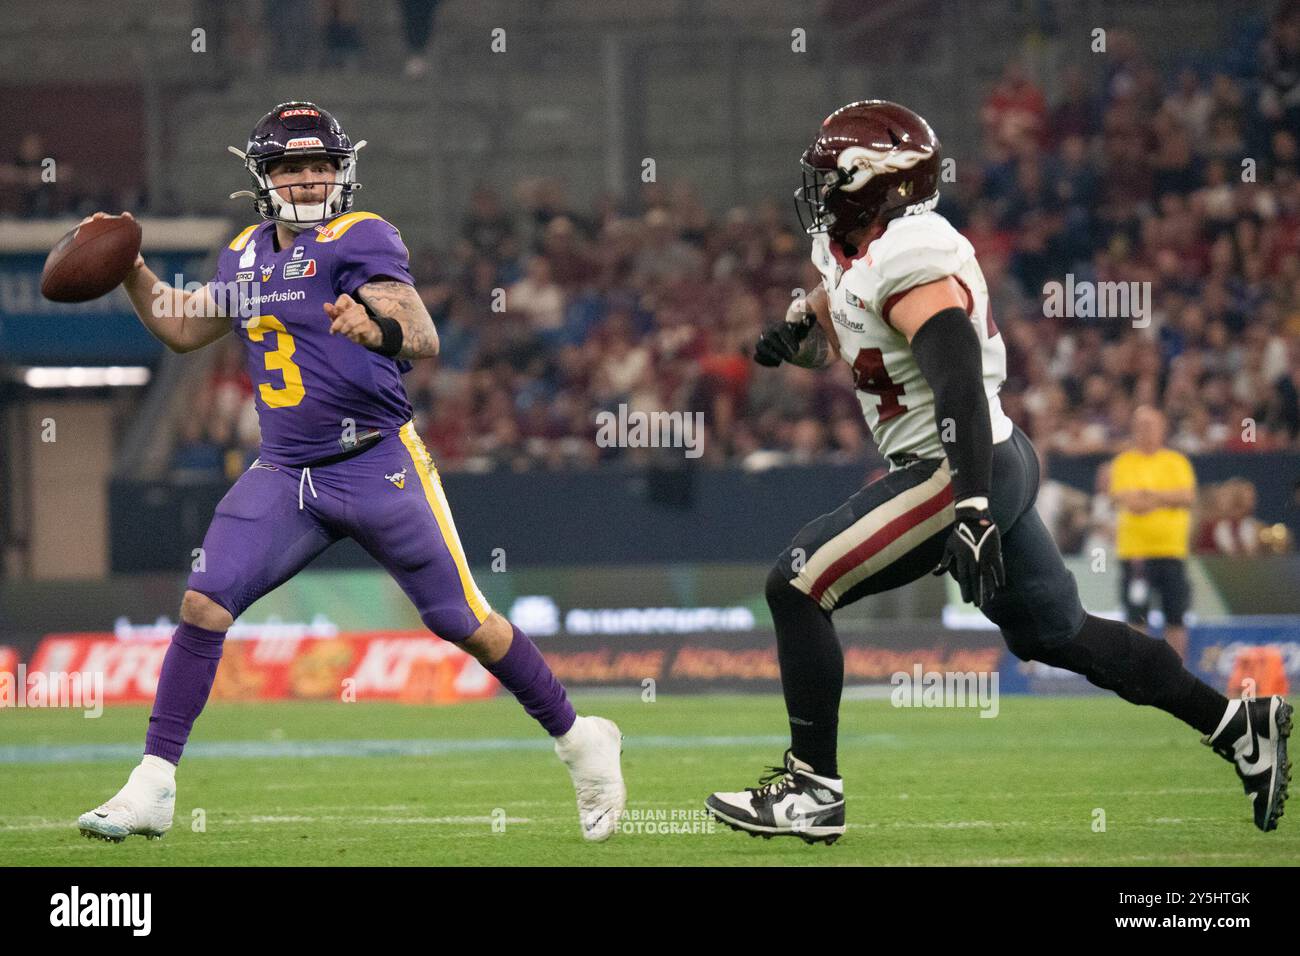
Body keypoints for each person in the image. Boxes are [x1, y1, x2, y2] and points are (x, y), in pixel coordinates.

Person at [704, 100, 1291, 843]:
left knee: (795, 582)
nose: (817, 195)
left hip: (957, 464)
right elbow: (848, 322)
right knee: (1060, 634)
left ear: (877, 184)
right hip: (993, 457)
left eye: (830, 179)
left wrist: (972, 507)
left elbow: (954, 381)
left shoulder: (912, 253)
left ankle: (812, 788)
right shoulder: (855, 250)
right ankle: (1238, 725)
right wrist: (798, 333)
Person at [76, 102, 624, 844]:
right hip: (285, 472)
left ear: (343, 171)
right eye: (291, 168)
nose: (308, 180)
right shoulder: (241, 254)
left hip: (376, 463)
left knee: (463, 621)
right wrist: (133, 270)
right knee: (205, 605)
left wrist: (381, 326)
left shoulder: (360, 236)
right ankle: (153, 784)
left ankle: (580, 740)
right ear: (262, 178)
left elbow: (423, 333)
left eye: (320, 166)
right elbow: (182, 326)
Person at [1108, 406, 1196, 659]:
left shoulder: (1176, 461)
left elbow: (1187, 496)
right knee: (1136, 617)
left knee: (1176, 616)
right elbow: (1129, 503)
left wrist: (1149, 494)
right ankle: (1140, 676)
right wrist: (1166, 497)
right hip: (1136, 554)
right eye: (1141, 426)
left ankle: (1177, 677)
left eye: (1151, 425)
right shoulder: (1124, 462)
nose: (1146, 431)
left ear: (1162, 428)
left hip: (1171, 551)